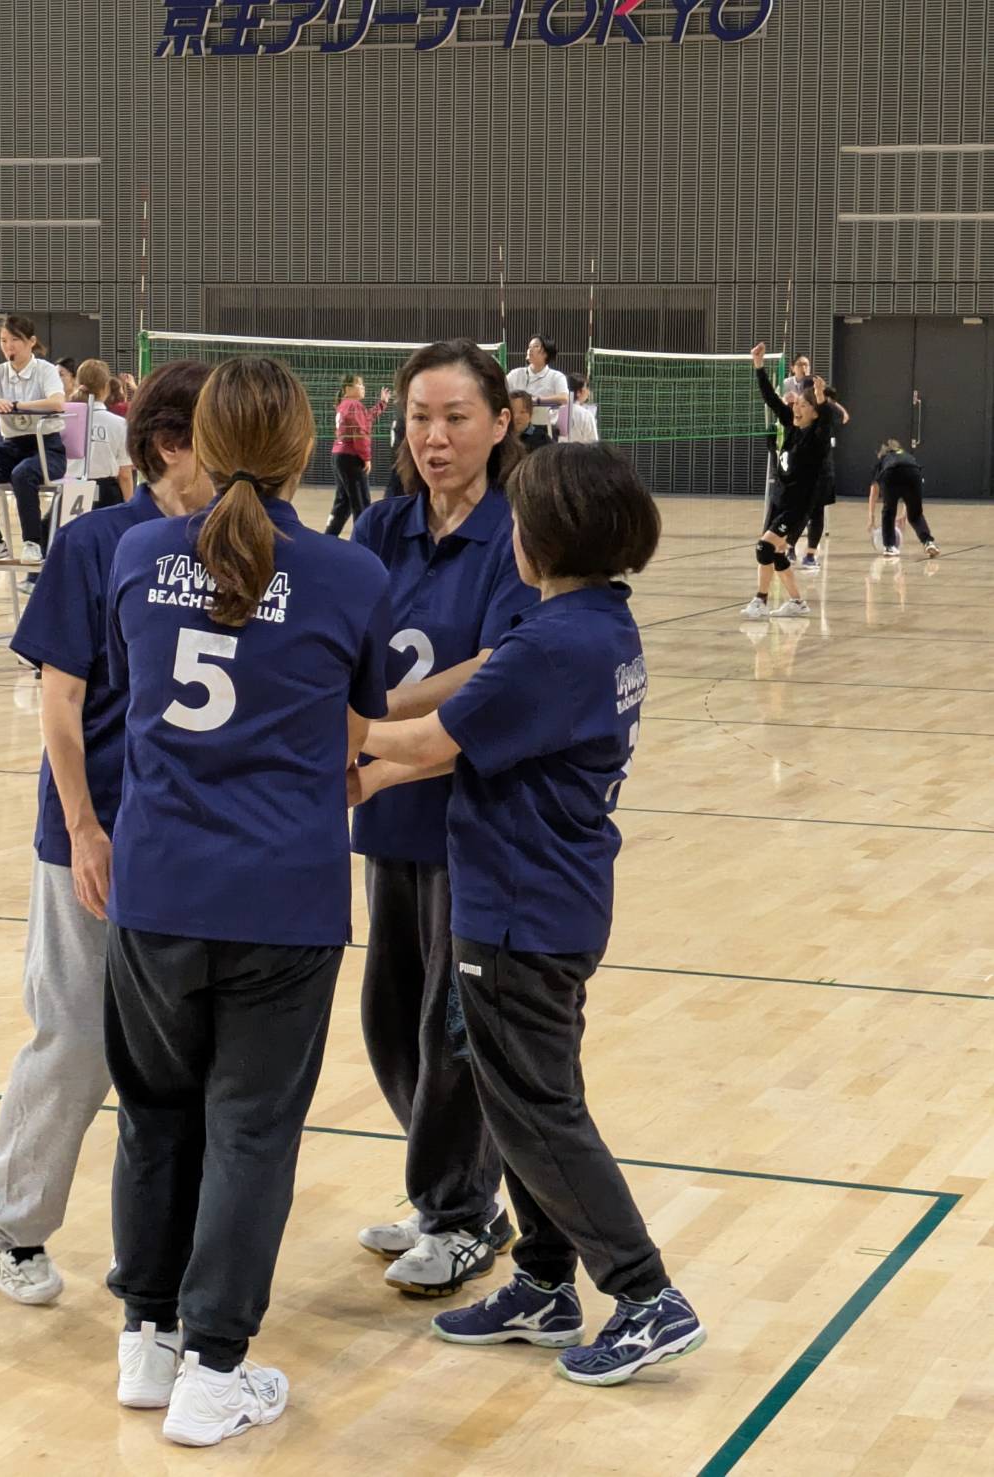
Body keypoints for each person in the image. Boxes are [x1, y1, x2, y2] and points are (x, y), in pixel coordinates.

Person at [353, 442, 705, 1387]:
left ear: (539, 539)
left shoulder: (548, 645)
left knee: (539, 1110)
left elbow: (432, 736)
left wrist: (339, 729)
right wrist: (372, 774)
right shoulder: (596, 624)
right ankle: (545, 1281)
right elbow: (464, 743)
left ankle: (646, 1294)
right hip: (554, 898)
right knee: (518, 1102)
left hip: (517, 910)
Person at [103, 356, 391, 1448]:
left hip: (157, 888)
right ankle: (214, 1369)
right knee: (251, 1130)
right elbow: (356, 735)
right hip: (282, 895)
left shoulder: (137, 554)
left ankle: (147, 1339)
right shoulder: (349, 575)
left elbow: (140, 688)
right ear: (305, 450)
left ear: (204, 444)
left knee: (153, 1113)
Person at [0, 360, 214, 1307]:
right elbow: (60, 699)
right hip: (96, 825)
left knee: (181, 1053)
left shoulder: (238, 545)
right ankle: (9, 1215)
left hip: (194, 837)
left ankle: (163, 1247)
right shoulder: (96, 544)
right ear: (171, 446)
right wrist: (82, 825)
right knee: (75, 1032)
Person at [350, 339, 537, 1296]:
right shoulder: (379, 527)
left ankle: (459, 1211)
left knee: (448, 1025)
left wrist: (376, 720)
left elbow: (498, 668)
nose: (434, 437)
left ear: (500, 423)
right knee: (389, 1018)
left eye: (456, 417)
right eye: (420, 417)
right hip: (388, 811)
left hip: (472, 817)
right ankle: (454, 1193)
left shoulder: (517, 534)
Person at [742, 341, 838, 620]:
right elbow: (772, 399)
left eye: (804, 405)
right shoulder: (793, 426)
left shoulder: (817, 439)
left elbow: (827, 421)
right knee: (777, 554)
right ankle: (797, 602)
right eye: (798, 403)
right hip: (780, 500)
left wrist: (820, 398)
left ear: (814, 412)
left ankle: (760, 601)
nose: (797, 407)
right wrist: (759, 365)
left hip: (797, 506)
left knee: (764, 547)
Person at [0, 314, 67, 565]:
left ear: (31, 341)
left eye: (15, 340)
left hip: (46, 447)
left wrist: (16, 405)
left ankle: (32, 543)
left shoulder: (45, 370)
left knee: (23, 474)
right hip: (11, 446)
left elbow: (57, 402)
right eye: (3, 340)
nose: (8, 346)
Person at [790, 386, 850, 571]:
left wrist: (823, 399)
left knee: (816, 513)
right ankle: (790, 548)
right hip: (802, 474)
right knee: (800, 513)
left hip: (821, 474)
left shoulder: (826, 420)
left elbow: (843, 416)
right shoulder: (801, 420)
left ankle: (809, 555)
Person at [326, 372, 391, 535]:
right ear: (348, 388)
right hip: (351, 458)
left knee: (344, 502)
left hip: (339, 455)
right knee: (361, 502)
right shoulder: (354, 405)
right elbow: (360, 433)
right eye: (360, 384)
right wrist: (366, 458)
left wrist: (382, 403)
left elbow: (366, 418)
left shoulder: (344, 405)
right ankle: (363, 541)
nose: (363, 387)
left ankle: (329, 535)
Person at [70, 359, 135, 506]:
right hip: (107, 494)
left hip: (71, 489)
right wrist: (130, 506)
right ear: (106, 387)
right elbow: (124, 474)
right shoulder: (119, 424)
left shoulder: (65, 419)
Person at [870, 440, 939, 558]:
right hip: (913, 473)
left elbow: (874, 489)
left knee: (888, 512)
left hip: (891, 473)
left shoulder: (884, 459)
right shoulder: (906, 456)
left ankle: (889, 546)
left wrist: (871, 515)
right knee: (916, 515)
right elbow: (907, 485)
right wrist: (904, 514)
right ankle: (928, 542)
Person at [505, 336, 569, 436]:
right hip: (516, 427)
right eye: (529, 347)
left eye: (536, 346)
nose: (530, 350)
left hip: (544, 428)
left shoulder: (556, 376)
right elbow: (500, 392)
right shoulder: (515, 374)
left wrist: (537, 400)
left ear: (546, 353)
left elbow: (564, 398)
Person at [566, 373, 600, 443]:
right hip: (579, 450)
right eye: (586, 388)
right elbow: (593, 443)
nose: (588, 392)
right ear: (578, 392)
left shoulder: (554, 411)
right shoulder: (586, 415)